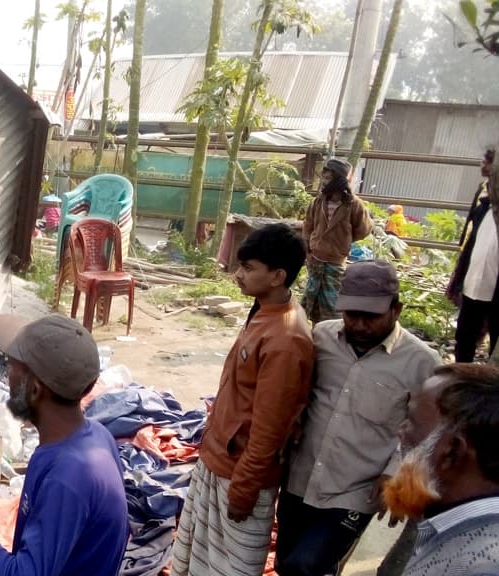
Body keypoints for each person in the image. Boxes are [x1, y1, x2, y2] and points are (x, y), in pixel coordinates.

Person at [0, 314, 129, 576]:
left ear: (36, 390)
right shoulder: (93, 435)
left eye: (12, 366)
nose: (8, 378)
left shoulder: (69, 478)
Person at [275, 260, 441, 576]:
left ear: (397, 310)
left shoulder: (421, 362)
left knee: (305, 566)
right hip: (301, 477)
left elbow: (428, 430)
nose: (360, 325)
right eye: (353, 315)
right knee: (287, 562)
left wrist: (398, 473)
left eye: (371, 317)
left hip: (355, 490)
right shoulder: (322, 337)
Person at [171, 223, 315, 576]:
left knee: (227, 568)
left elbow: (269, 427)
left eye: (249, 268)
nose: (238, 275)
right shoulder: (264, 312)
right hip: (219, 459)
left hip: (239, 474)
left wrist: (245, 487)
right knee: (199, 560)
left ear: (278, 275)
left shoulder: (286, 339)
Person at [378, 363, 499, 576]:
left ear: (451, 452)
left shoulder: (481, 566)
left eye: (412, 422)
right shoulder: (454, 526)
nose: (401, 431)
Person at [302, 158, 373, 324]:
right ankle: (313, 333)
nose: (324, 183)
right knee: (311, 298)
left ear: (339, 180)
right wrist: (308, 251)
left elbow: (363, 230)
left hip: (336, 261)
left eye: (328, 179)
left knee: (332, 303)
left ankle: (330, 335)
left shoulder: (354, 205)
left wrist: (343, 240)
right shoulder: (318, 202)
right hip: (316, 258)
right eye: (323, 178)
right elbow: (308, 226)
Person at [448, 149, 499, 362]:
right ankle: (462, 379)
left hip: (495, 291)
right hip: (474, 287)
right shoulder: (484, 209)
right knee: (465, 338)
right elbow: (471, 247)